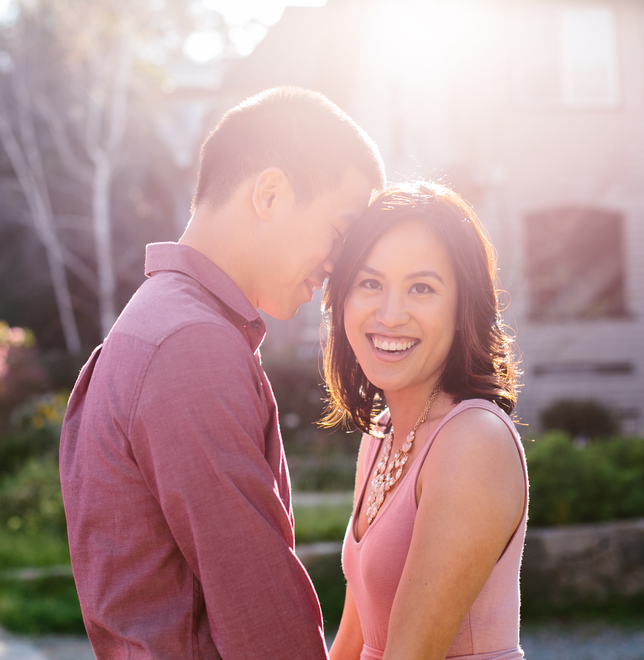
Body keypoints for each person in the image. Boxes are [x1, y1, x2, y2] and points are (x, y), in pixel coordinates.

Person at [59, 87, 385, 660]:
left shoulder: (159, 324)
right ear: (271, 193)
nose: (341, 267)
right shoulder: (191, 345)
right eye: (341, 233)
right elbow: (256, 602)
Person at [321, 182, 526, 660]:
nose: (390, 315)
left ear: (461, 310)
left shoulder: (474, 440)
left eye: (422, 288)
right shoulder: (382, 437)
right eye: (369, 283)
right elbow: (355, 642)